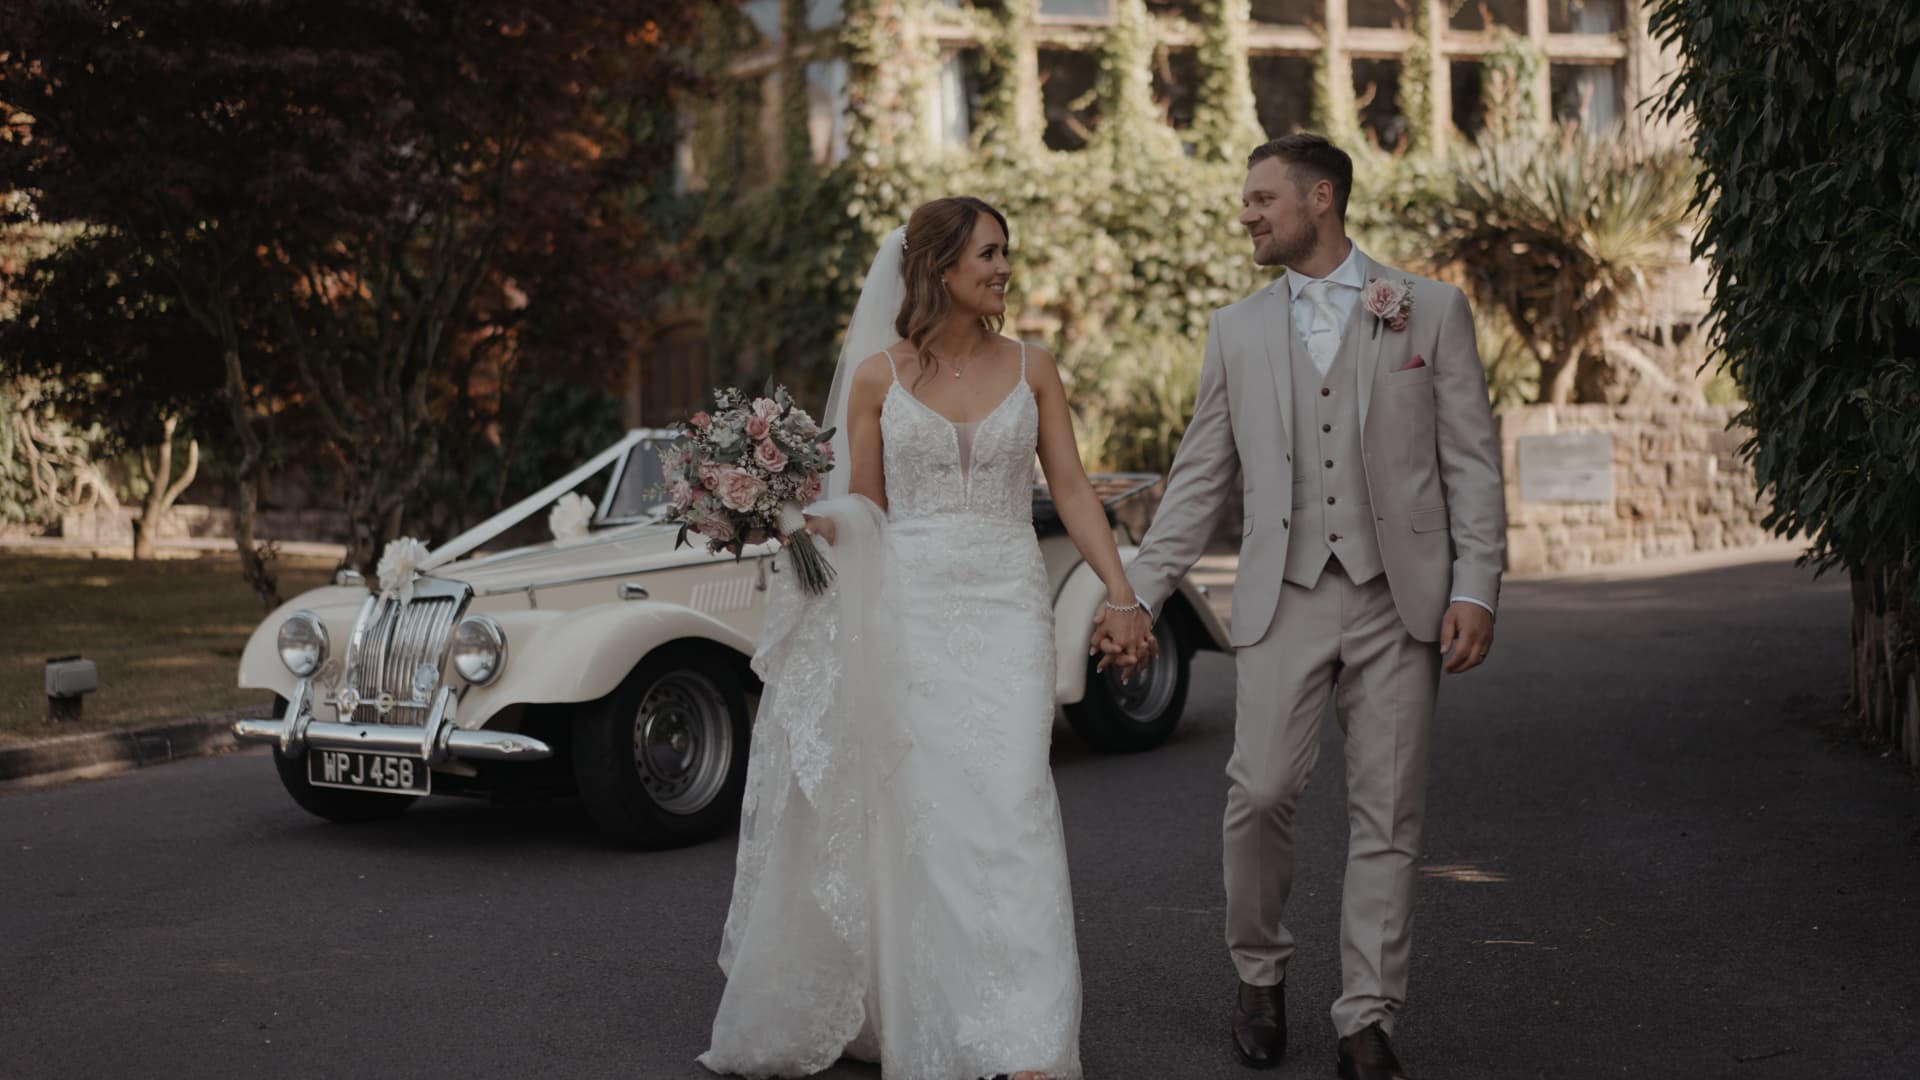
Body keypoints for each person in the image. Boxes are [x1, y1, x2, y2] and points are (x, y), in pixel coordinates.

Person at [699, 196, 1155, 1080]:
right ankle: (945, 1017)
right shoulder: (877, 377)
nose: (1002, 268)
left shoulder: (1036, 367)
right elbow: (868, 504)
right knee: (935, 820)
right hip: (912, 611)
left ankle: (1026, 1037)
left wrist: (1122, 588)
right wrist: (800, 519)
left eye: (1005, 253)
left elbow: (1069, 488)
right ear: (940, 267)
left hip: (1006, 606)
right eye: (988, 253)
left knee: (1014, 805)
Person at [1102, 133, 1506, 1079]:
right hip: (1283, 595)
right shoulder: (1235, 332)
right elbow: (1199, 480)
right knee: (1261, 791)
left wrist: (1476, 586)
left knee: (1389, 817)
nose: (1246, 214)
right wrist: (1140, 597)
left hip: (1398, 600)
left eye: (1260, 198)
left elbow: (1470, 466)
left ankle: (1367, 1019)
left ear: (1320, 198)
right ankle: (1259, 970)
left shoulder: (1430, 311)